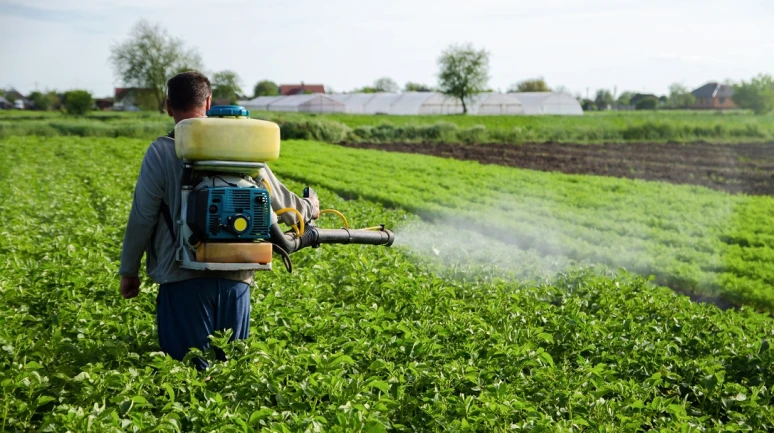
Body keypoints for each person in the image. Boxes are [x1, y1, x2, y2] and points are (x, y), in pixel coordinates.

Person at [118, 71, 318, 369]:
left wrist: (129, 270)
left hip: (182, 279)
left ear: (168, 106)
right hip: (236, 277)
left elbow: (142, 218)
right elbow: (281, 203)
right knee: (231, 375)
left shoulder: (161, 152)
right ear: (209, 102)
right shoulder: (240, 145)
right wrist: (309, 207)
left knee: (188, 376)